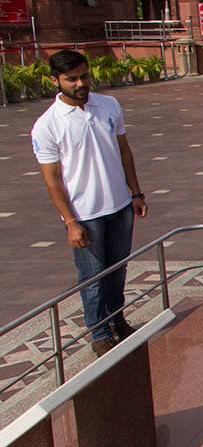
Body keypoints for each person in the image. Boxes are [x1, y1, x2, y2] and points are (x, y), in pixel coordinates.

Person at [31, 49, 147, 357]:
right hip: (85, 215)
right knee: (93, 276)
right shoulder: (48, 125)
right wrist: (71, 222)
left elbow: (124, 150)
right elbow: (53, 179)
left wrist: (135, 192)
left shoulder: (108, 105)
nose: (80, 83)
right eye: (71, 79)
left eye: (84, 76)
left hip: (120, 206)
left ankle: (117, 320)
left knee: (118, 269)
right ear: (55, 80)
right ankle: (98, 332)